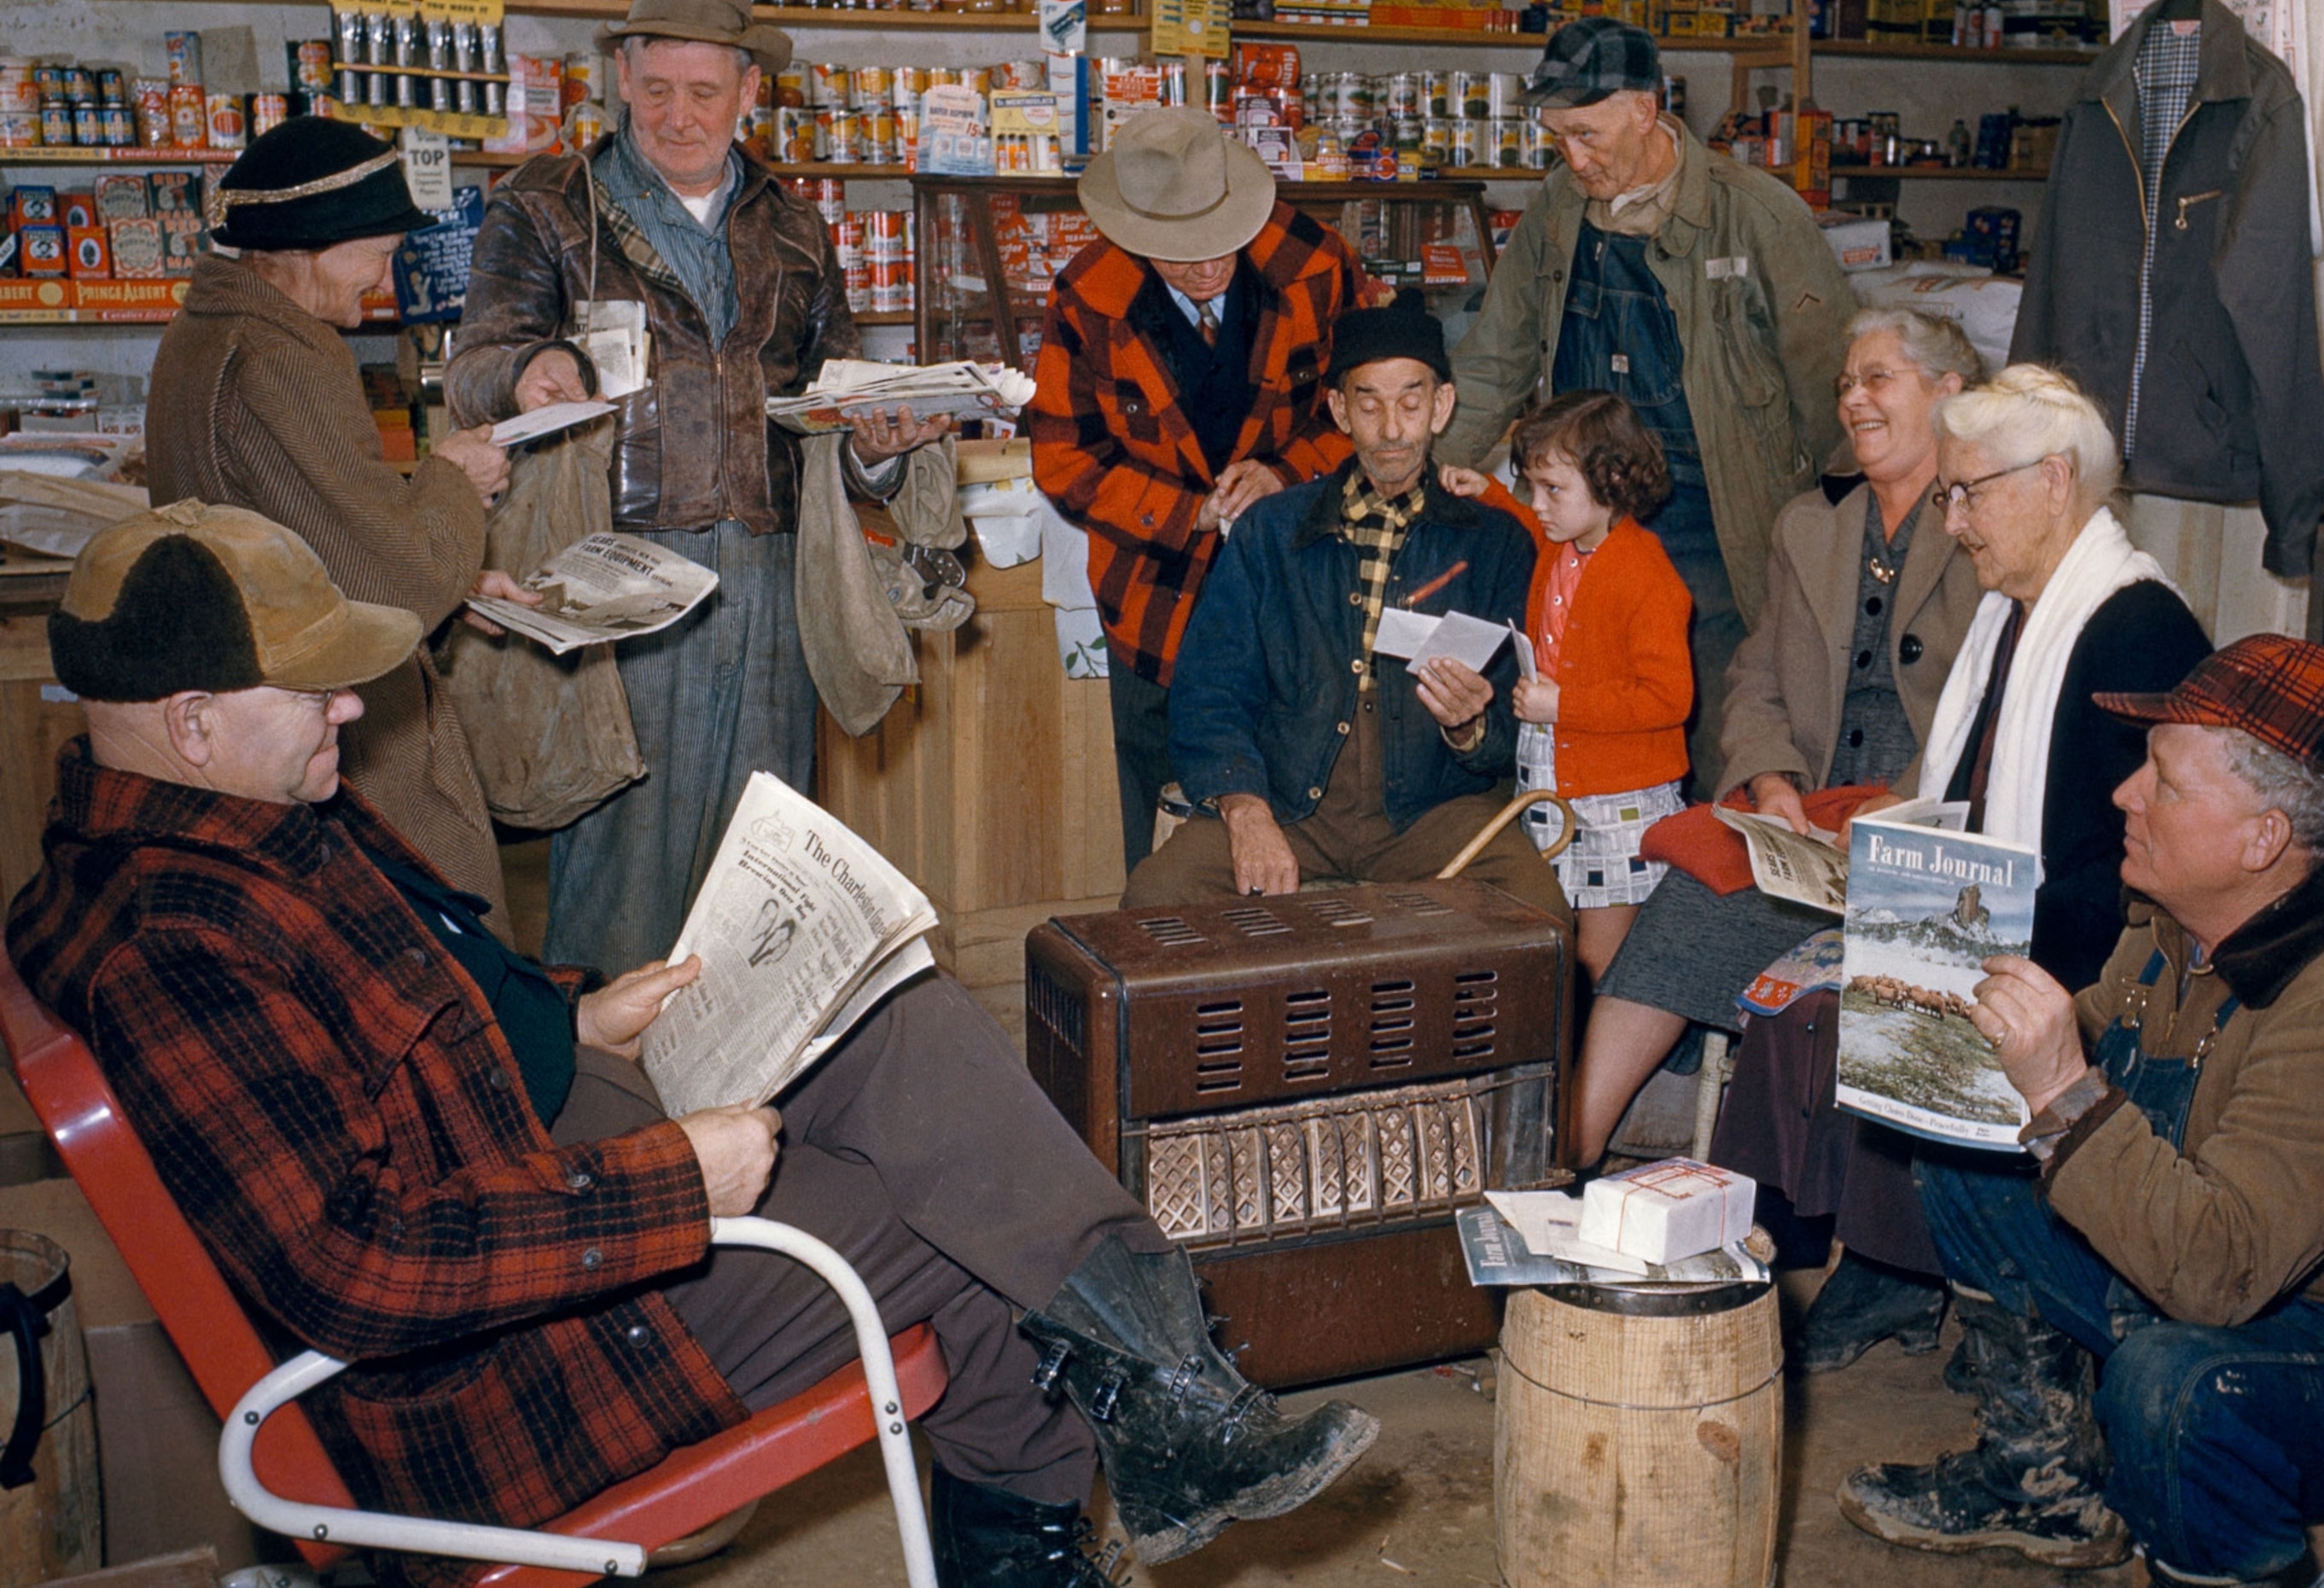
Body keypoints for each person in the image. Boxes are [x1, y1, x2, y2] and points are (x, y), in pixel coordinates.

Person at [9, 501, 1377, 1587]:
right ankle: (1159, 1413)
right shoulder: (175, 946)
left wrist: (569, 1011)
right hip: (500, 1360)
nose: (350, 708)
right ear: (191, 720)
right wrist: (681, 1183)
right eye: (312, 690)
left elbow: (415, 1004)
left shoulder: (221, 823)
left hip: (529, 1153)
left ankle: (1176, 1386)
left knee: (893, 1010)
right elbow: (357, 1267)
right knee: (976, 1247)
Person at [1843, 637, 2324, 1585]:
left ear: (2263, 839)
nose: (2126, 793)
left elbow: (2219, 1275)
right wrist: (1922, 1000)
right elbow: (2089, 1052)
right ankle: (2043, 1482)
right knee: (1972, 1149)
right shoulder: (2185, 929)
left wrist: (2060, 1087)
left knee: (2174, 1391)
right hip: (2237, 1263)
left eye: (2166, 783)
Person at [446, 0, 945, 975]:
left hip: (767, 579)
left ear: (749, 91)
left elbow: (825, 407)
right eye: (658, 88)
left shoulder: (795, 226)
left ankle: (744, 1114)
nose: (679, 117)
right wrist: (528, 368)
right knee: (623, 874)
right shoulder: (548, 206)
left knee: (763, 874)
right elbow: (475, 367)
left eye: (705, 92)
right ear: (623, 76)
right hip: (617, 573)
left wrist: (874, 447)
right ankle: (615, 1112)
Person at [1719, 361, 2211, 1369]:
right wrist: (1884, 859)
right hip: (1999, 913)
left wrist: (1939, 917)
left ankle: (1911, 1268)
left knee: (1853, 1003)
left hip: (2090, 947)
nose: (1952, 522)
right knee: (1782, 993)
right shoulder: (2012, 614)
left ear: (2056, 480)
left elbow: (2134, 876)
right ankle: (1784, 1270)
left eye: (1968, 492)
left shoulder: (2137, 627)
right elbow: (1969, 797)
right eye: (1949, 494)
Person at [1565, 311, 1985, 1173]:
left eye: (1879, 378)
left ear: (1950, 393)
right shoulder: (1812, 523)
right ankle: (1570, 1155)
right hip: (1810, 809)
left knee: (1900, 943)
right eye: (1845, 383)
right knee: (1689, 890)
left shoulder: (1990, 526)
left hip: (1930, 817)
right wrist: (1772, 780)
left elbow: (1989, 709)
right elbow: (1755, 676)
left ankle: (1854, 1230)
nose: (1853, 398)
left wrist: (1897, 808)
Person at [1443, 18, 1855, 789]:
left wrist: (1829, 540)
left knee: (1708, 733)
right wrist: (1427, 469)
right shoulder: (1560, 211)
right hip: (1588, 522)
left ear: (1644, 107)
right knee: (1590, 715)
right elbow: (1496, 355)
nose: (1573, 158)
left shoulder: (1756, 216)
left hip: (1716, 522)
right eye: (1557, 137)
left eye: (1588, 135)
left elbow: (1831, 392)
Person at [148, 116, 528, 913]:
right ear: (312, 246)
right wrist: (455, 482)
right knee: (430, 933)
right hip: (327, 721)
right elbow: (397, 577)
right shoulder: (284, 359)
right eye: (380, 253)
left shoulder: (207, 329)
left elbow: (308, 536)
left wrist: (457, 589)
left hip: (248, 705)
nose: (383, 278)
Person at [1118, 293, 1565, 923]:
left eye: (1411, 403)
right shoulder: (1269, 532)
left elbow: (1512, 735)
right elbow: (1210, 692)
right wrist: (1246, 812)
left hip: (1433, 814)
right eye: (1369, 403)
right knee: (1154, 902)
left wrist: (1469, 729)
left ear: (1441, 407)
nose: (1390, 429)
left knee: (1540, 917)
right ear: (1337, 410)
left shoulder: (1494, 542)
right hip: (1289, 805)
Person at [1030, 107, 1366, 872]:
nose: (1208, 267)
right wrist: (1192, 513)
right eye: (1180, 255)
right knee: (1154, 833)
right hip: (1151, 597)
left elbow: (1365, 413)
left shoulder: (1316, 263)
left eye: (1221, 242)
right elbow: (1062, 458)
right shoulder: (1089, 294)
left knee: (1299, 805)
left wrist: (1287, 472)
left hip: (1299, 587)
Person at [1437, 391, 1691, 989]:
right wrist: (1493, 494)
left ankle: (1594, 1052)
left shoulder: (1647, 575)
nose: (1539, 504)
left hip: (1615, 790)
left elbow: (1668, 698)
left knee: (1602, 959)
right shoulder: (1566, 537)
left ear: (1613, 482)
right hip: (1557, 767)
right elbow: (1537, 524)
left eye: (1553, 489)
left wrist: (1564, 706)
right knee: (1557, 921)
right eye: (1531, 486)